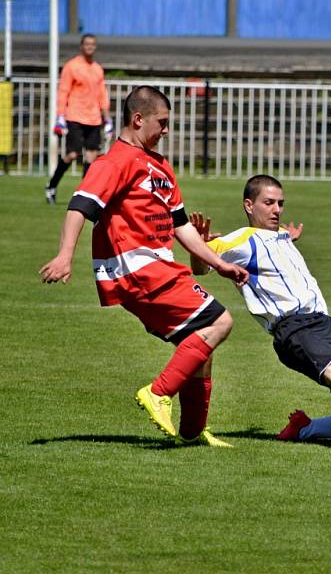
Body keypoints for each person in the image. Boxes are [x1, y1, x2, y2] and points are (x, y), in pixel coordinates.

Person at [39, 85, 249, 447]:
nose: (167, 130)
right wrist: (64, 255)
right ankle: (158, 393)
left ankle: (193, 432)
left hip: (160, 267)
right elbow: (80, 206)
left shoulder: (161, 166)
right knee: (219, 321)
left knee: (198, 343)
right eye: (162, 122)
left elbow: (181, 225)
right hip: (136, 268)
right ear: (138, 119)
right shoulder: (115, 162)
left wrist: (219, 263)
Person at [188, 174, 331, 447]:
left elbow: (277, 249)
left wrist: (288, 238)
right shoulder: (240, 240)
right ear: (249, 206)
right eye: (269, 203)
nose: (276, 210)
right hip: (295, 328)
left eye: (280, 204)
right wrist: (199, 247)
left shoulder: (280, 236)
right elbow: (201, 268)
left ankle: (305, 429)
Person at [45, 34, 113, 205]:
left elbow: (102, 95)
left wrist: (108, 120)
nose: (90, 47)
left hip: (94, 119)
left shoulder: (97, 68)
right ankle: (51, 186)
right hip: (75, 116)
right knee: (72, 154)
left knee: (91, 158)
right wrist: (60, 116)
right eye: (87, 44)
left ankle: (83, 195)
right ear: (81, 46)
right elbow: (63, 91)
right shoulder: (72, 66)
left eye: (93, 44)